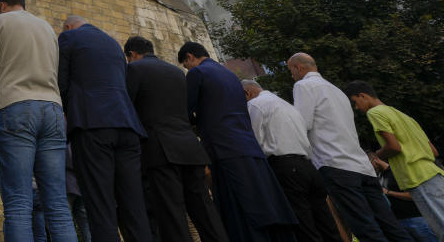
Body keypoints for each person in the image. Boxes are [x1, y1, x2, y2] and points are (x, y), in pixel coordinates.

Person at [0, 0, 76, 242]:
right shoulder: (46, 28)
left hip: (16, 105)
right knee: (57, 204)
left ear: (1, 5)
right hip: (53, 109)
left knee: (18, 204)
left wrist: (2, 102)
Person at [179, 41, 298, 242]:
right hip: (249, 146)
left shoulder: (198, 74)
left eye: (186, 64)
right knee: (264, 203)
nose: (188, 69)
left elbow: (184, 110)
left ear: (190, 57)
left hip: (223, 148)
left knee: (239, 208)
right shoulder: (230, 75)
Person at [287, 53, 411, 242]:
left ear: (298, 68)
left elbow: (302, 124)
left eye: (290, 71)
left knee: (366, 228)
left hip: (336, 165)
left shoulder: (303, 85)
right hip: (362, 166)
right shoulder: (336, 90)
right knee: (391, 225)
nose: (291, 76)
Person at [123, 36, 227, 242]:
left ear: (132, 54)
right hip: (190, 148)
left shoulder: (134, 70)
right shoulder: (177, 71)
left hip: (161, 150)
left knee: (172, 213)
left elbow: (128, 106)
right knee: (205, 210)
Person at [58, 15, 150, 242]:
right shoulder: (113, 43)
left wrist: (68, 110)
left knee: (100, 204)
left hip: (92, 124)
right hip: (127, 125)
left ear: (68, 27)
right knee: (133, 203)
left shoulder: (69, 37)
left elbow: (61, 82)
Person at [240, 79, 341, 242]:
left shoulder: (255, 105)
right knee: (326, 222)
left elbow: (255, 142)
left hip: (286, 167)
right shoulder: (286, 105)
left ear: (247, 93)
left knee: (305, 226)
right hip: (308, 165)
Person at [345, 81, 444, 238]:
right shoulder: (404, 116)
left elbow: (394, 147)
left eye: (355, 102)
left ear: (362, 95)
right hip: (434, 174)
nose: (357, 108)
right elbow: (433, 151)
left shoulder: (375, 113)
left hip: (417, 177)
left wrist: (375, 156)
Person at [369, 154, 439, 242]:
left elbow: (413, 195)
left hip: (415, 218)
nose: (369, 168)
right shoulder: (379, 177)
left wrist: (389, 192)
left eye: (369, 164)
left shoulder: (397, 172)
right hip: (398, 222)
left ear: (375, 159)